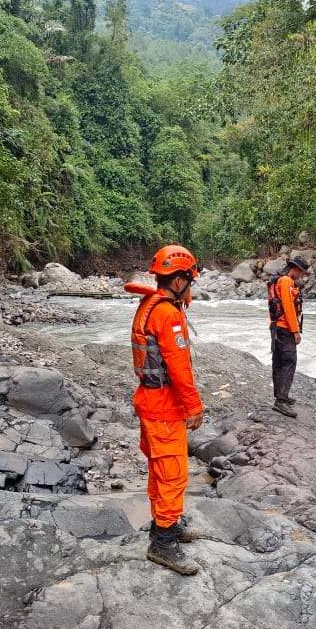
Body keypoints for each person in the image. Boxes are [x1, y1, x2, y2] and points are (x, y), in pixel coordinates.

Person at [126, 245, 205, 575]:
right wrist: (195, 406)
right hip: (165, 409)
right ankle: (162, 544)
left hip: (149, 402)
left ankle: (167, 524)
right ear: (178, 280)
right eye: (190, 281)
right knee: (173, 475)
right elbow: (179, 368)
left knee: (161, 472)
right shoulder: (168, 314)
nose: (191, 287)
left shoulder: (149, 305)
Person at [267, 255, 310, 417]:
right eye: (302, 272)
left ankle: (280, 396)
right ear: (296, 269)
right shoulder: (286, 281)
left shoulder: (278, 280)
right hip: (285, 329)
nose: (302, 276)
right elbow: (288, 308)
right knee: (289, 362)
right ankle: (281, 401)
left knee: (278, 361)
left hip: (276, 327)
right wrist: (295, 331)